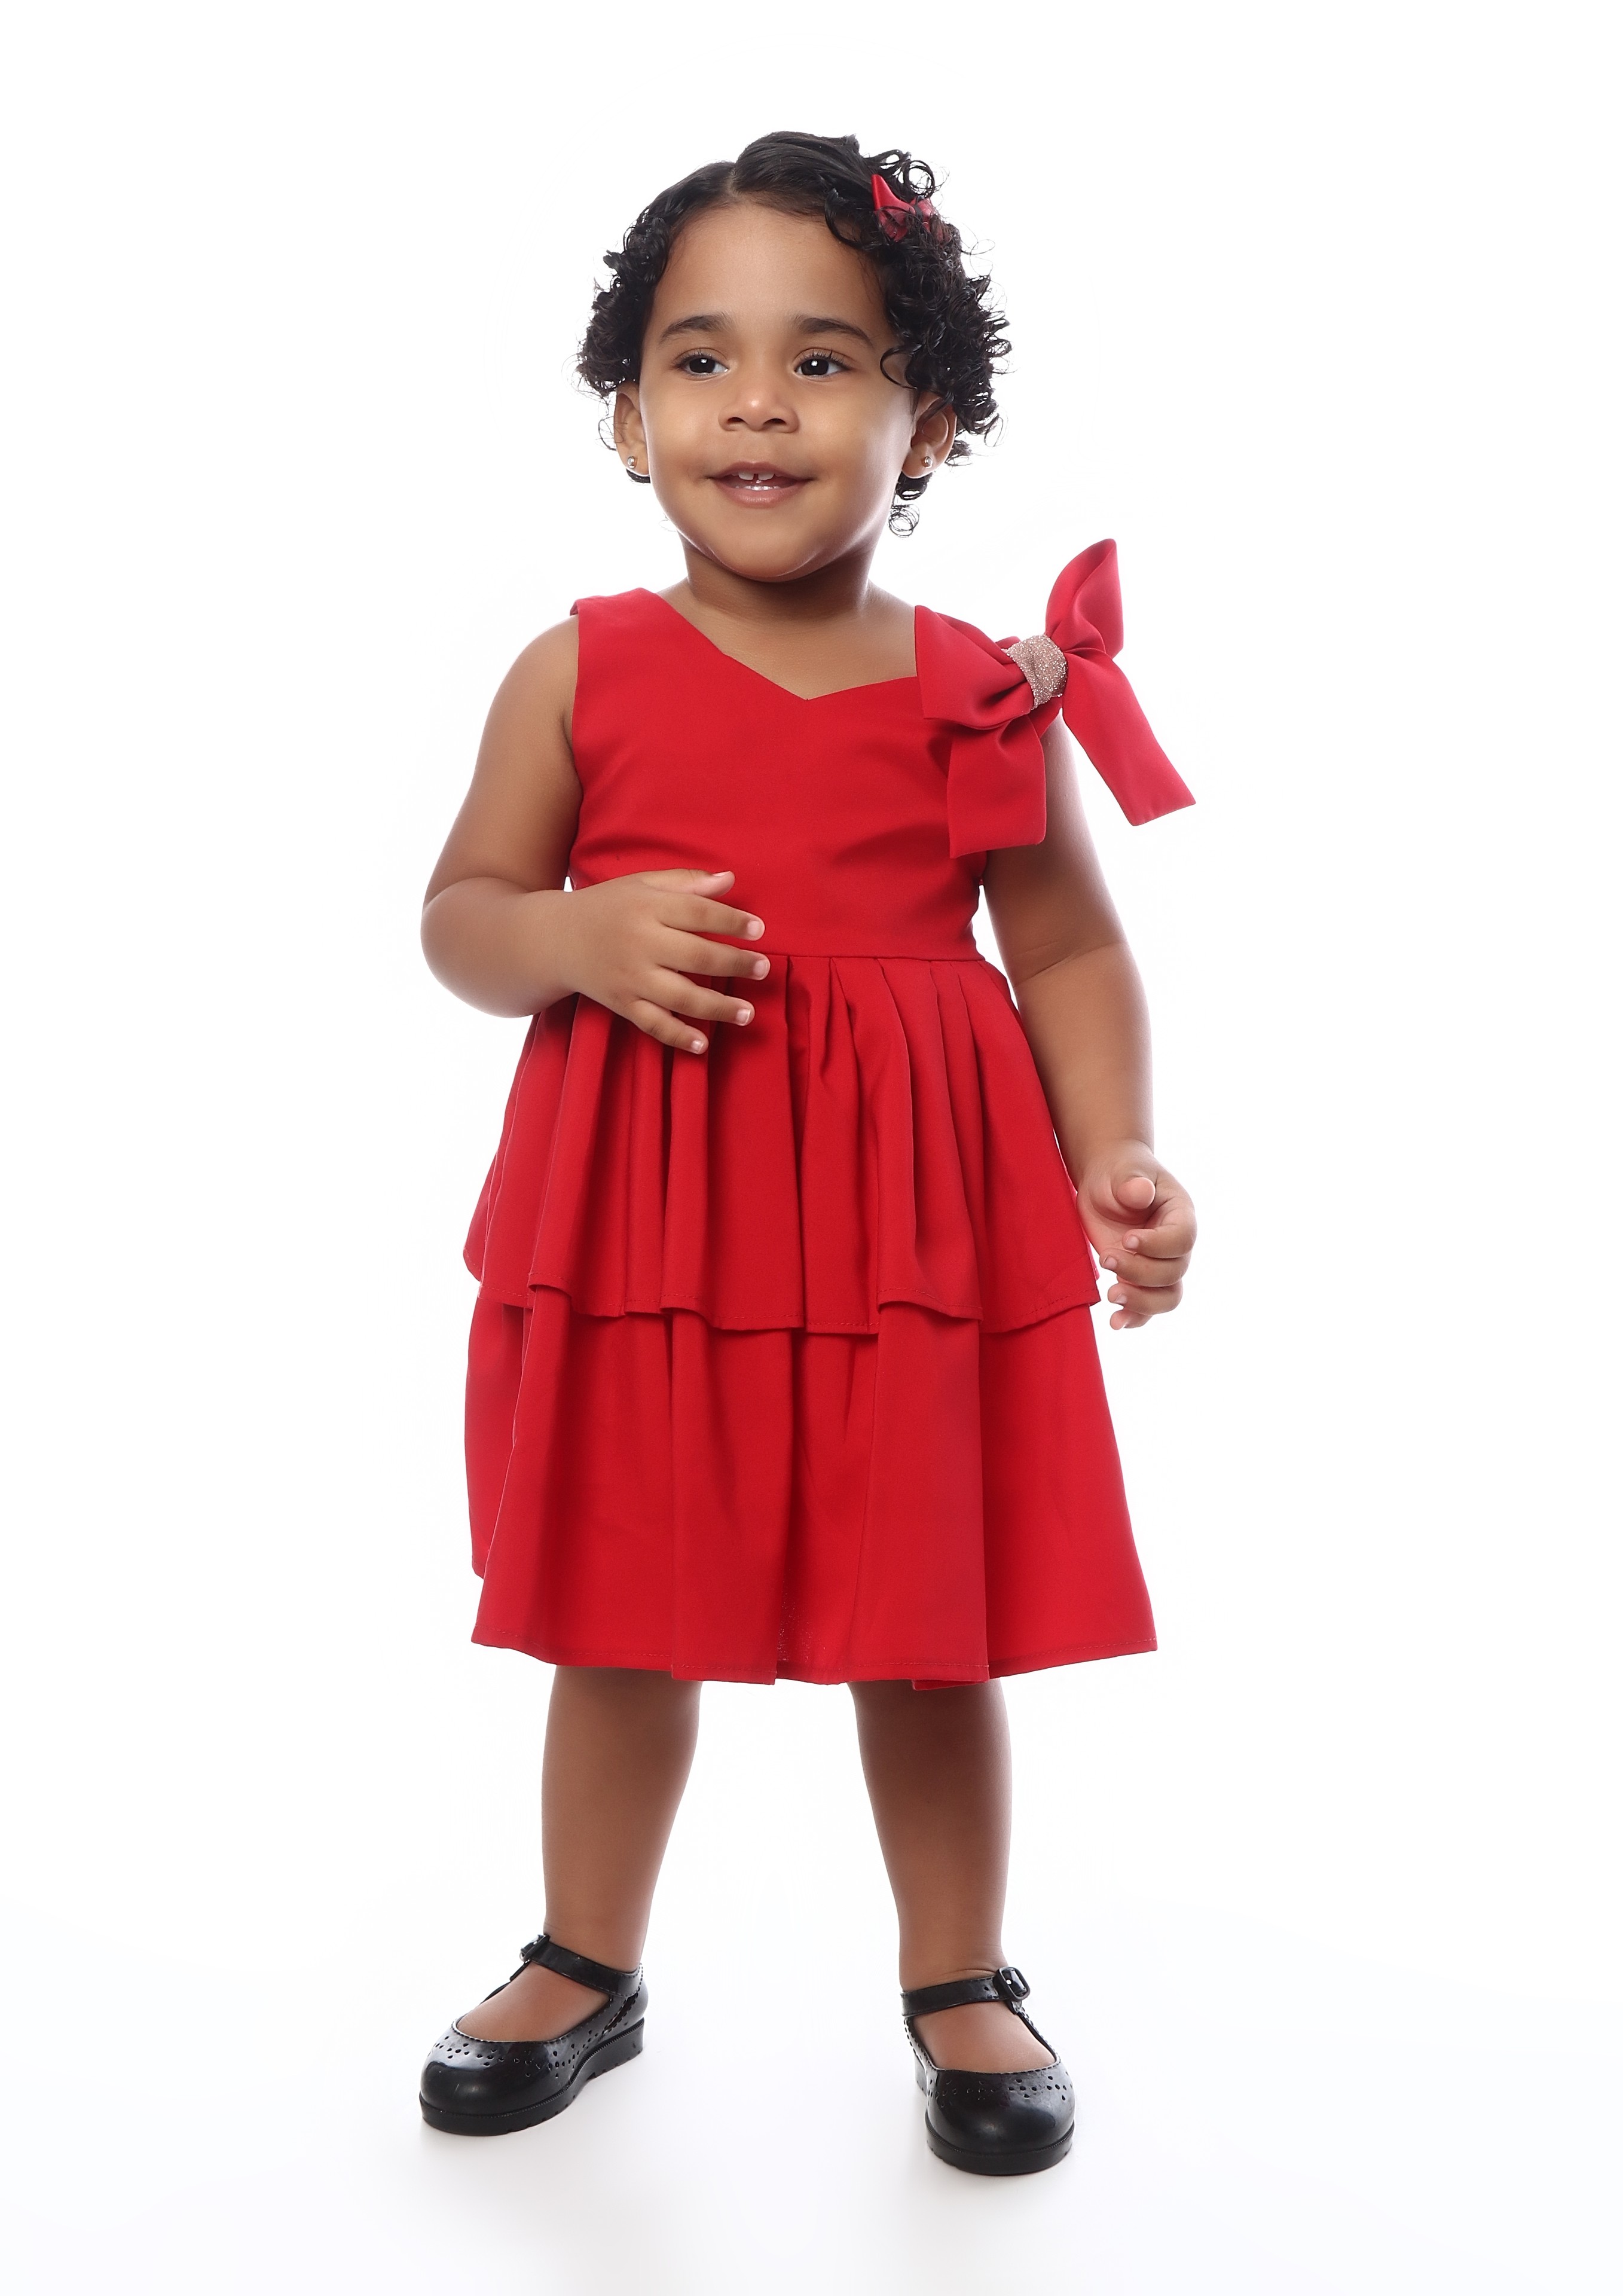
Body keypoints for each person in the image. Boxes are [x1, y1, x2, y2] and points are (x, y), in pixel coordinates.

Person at [415, 130, 1196, 2177]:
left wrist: (1113, 1147)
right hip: (651, 1228)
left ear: (924, 424)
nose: (756, 403)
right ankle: (585, 1958)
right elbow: (463, 918)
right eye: (701, 358)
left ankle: (958, 1976)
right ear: (626, 417)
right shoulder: (576, 668)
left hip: (906, 1238)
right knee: (618, 1607)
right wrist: (571, 936)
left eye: (824, 361)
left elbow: (1069, 950)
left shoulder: (975, 695)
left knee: (923, 1629)